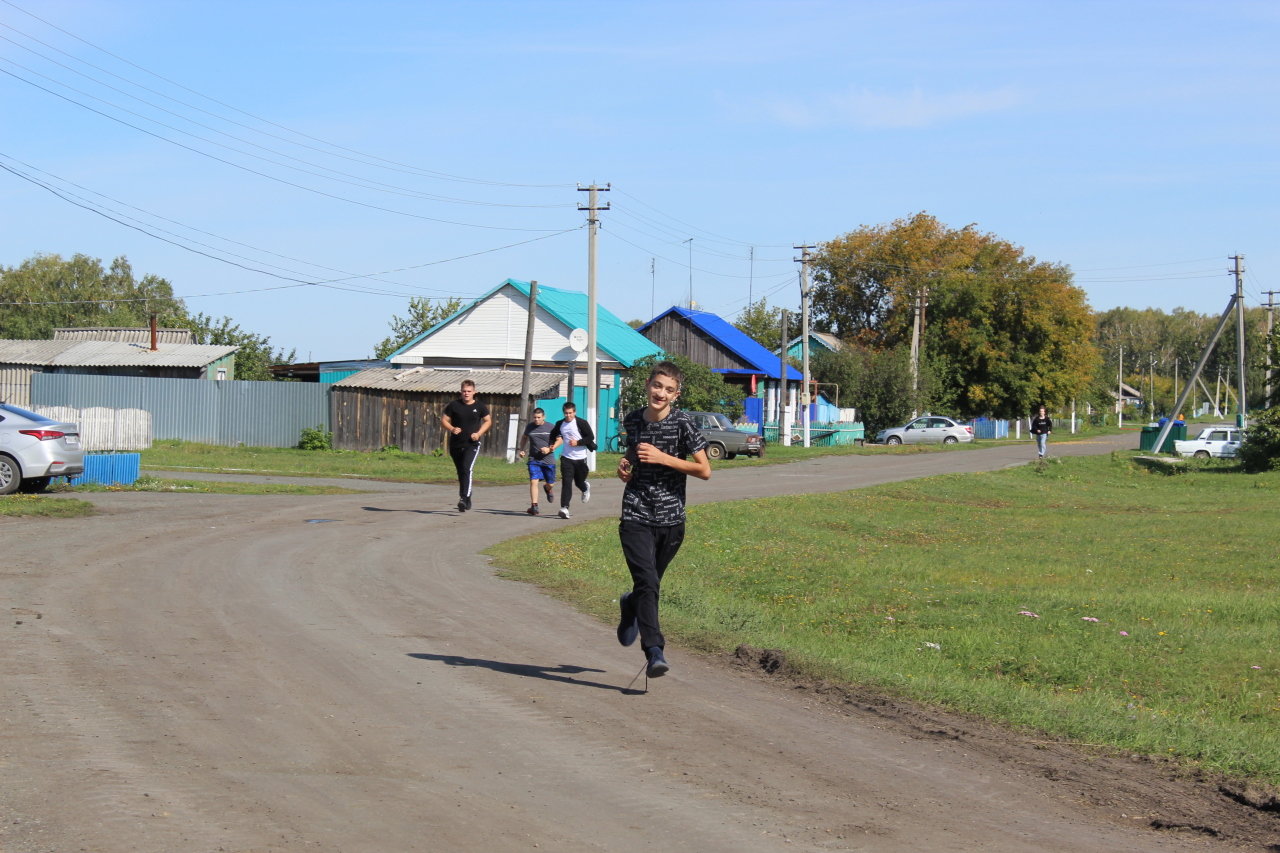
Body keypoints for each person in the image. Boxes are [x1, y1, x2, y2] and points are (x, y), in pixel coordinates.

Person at [614, 360, 711, 679]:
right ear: (647, 385)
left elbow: (704, 470)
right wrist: (625, 466)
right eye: (657, 386)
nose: (661, 393)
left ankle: (630, 605)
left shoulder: (683, 424)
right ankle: (654, 650)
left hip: (671, 520)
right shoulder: (632, 421)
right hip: (636, 513)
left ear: (676, 395)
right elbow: (632, 454)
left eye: (669, 390)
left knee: (647, 586)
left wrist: (664, 459)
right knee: (649, 583)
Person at [440, 379, 491, 512]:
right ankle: (467, 497)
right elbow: (444, 420)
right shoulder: (454, 405)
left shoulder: (479, 406)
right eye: (464, 391)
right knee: (460, 472)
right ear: (460, 392)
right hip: (456, 444)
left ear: (474, 392)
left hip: (472, 444)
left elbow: (488, 421)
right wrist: (452, 429)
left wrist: (479, 433)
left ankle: (463, 498)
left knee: (466, 468)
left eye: (469, 391)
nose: (466, 393)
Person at [549, 401, 595, 519]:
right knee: (567, 482)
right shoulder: (560, 424)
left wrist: (578, 442)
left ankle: (585, 488)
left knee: (579, 482)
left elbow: (590, 437)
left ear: (574, 412)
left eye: (570, 413)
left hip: (580, 458)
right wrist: (551, 444)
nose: (568, 415)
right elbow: (553, 434)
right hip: (567, 458)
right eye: (566, 413)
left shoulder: (581, 423)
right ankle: (564, 508)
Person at [517, 407, 556, 515]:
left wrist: (550, 449)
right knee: (534, 480)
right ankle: (534, 506)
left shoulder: (550, 427)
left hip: (548, 460)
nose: (536, 420)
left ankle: (548, 489)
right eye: (535, 417)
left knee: (550, 483)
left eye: (539, 417)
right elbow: (524, 437)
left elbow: (560, 439)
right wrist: (521, 450)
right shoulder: (530, 427)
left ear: (543, 417)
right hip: (534, 459)